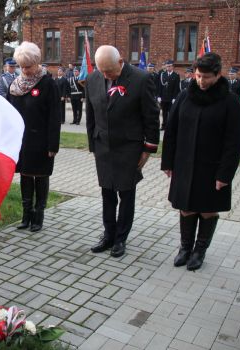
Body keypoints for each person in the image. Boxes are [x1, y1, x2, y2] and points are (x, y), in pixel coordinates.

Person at [161, 52, 240, 271]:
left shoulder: (230, 102)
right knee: (186, 208)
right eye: (198, 76)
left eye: (206, 77)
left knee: (207, 209)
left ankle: (200, 251)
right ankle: (185, 248)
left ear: (218, 75)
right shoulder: (184, 96)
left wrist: (225, 175)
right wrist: (167, 162)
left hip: (213, 169)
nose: (201, 81)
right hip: (184, 165)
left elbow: (234, 143)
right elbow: (171, 131)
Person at [86, 45, 160, 257]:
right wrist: (93, 145)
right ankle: (108, 235)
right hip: (103, 147)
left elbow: (151, 116)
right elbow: (91, 115)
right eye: (103, 71)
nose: (106, 75)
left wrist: (148, 148)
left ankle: (121, 239)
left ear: (121, 62)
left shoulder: (141, 79)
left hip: (129, 147)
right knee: (107, 192)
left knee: (126, 194)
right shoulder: (92, 79)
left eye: (110, 70)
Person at [7, 41, 61, 232]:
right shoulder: (15, 86)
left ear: (37, 62)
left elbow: (55, 117)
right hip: (22, 142)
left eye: (28, 66)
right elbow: (8, 114)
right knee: (26, 176)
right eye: (21, 66)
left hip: (42, 142)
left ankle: (38, 216)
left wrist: (53, 145)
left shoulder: (48, 84)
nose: (24, 70)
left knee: (41, 177)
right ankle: (26, 215)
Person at [158, 60, 180, 130]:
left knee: (171, 113)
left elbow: (176, 88)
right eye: (167, 66)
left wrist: (174, 97)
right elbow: (160, 86)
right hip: (164, 97)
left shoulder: (176, 75)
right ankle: (164, 125)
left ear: (172, 67)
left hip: (171, 98)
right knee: (164, 112)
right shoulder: (162, 74)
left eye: (169, 66)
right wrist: (159, 96)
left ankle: (170, 126)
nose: (168, 67)